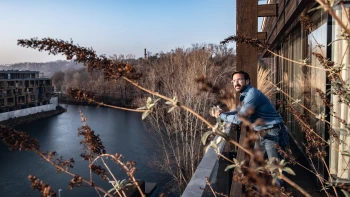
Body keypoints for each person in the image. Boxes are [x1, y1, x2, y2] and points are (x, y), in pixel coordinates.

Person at [215, 71, 289, 160]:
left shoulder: (252, 94)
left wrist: (221, 116)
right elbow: (238, 110)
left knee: (276, 169)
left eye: (239, 80)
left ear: (247, 81)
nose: (236, 83)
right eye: (234, 81)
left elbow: (239, 119)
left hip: (273, 132)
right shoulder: (245, 94)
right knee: (256, 165)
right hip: (262, 133)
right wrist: (223, 113)